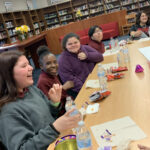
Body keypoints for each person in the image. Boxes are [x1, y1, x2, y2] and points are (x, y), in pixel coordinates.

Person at [0, 50, 81, 150]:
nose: (31, 68)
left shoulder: (32, 90)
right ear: (9, 74)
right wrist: (55, 128)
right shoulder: (8, 112)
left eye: (29, 64)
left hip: (56, 141)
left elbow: (49, 116)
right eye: (24, 66)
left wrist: (54, 103)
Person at [37, 45, 74, 115]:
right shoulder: (42, 82)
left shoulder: (53, 74)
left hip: (68, 105)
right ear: (41, 66)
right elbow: (51, 106)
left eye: (55, 62)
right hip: (62, 113)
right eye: (48, 63)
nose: (53, 65)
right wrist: (63, 88)